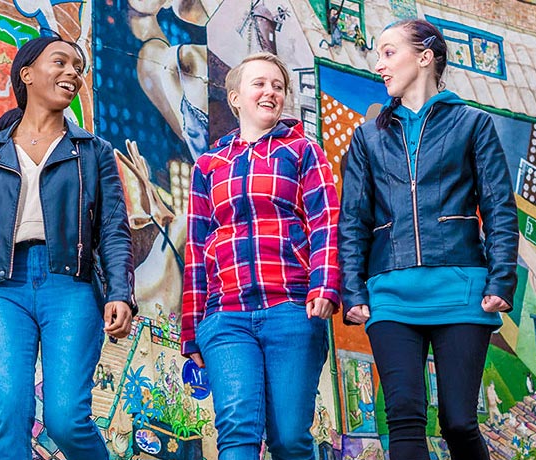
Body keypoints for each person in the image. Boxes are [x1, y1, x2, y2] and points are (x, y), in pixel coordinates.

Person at [338, 19, 518, 460]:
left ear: (424, 57)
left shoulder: (473, 124)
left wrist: (501, 281)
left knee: (458, 421)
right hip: (391, 295)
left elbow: (499, 208)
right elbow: (353, 219)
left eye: (387, 52)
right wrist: (353, 289)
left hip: (461, 291)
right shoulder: (367, 137)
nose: (378, 65)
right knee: (402, 419)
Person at [0, 35, 136, 460]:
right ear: (27, 74)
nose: (72, 72)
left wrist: (122, 292)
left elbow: (113, 228)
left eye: (78, 67)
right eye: (61, 62)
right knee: (7, 412)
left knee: (66, 419)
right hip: (3, 290)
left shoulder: (93, 152)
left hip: (69, 285)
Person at [180, 52, 340, 460]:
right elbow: (197, 249)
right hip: (225, 315)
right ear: (235, 97)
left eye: (278, 86)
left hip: (290, 309)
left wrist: (324, 283)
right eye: (259, 83)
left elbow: (326, 221)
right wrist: (190, 330)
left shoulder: (304, 152)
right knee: (237, 431)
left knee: (289, 437)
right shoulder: (208, 166)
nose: (270, 91)